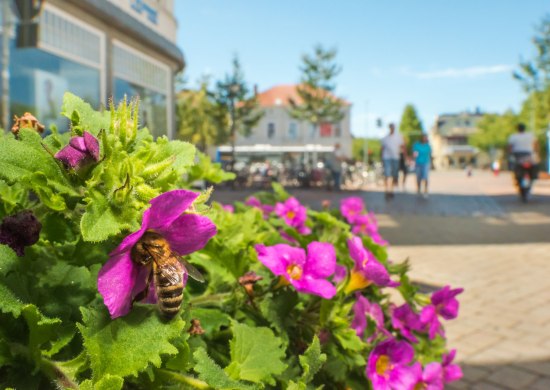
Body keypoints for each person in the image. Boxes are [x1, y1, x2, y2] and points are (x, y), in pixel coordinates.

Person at [381, 123, 406, 199]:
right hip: (387, 157)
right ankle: (387, 191)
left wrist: (405, 156)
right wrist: (381, 158)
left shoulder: (398, 137)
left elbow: (403, 146)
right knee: (387, 174)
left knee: (394, 175)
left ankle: (391, 190)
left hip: (395, 157)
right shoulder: (385, 138)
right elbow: (382, 148)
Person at [412, 133, 432, 198]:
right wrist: (413, 158)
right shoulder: (416, 145)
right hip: (418, 163)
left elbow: (430, 154)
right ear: (421, 138)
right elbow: (414, 153)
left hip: (426, 163)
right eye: (424, 137)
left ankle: (425, 191)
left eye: (426, 137)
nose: (425, 138)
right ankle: (418, 190)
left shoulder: (428, 146)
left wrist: (430, 163)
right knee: (418, 178)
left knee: (425, 177)